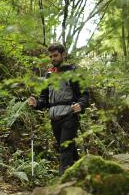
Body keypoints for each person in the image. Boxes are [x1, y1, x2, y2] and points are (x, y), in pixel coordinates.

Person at [27, 43, 90, 174]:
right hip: (54, 118)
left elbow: (84, 94)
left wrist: (81, 105)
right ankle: (80, 174)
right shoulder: (48, 75)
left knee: (64, 147)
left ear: (63, 55)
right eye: (50, 56)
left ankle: (62, 180)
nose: (53, 59)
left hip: (69, 115)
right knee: (69, 148)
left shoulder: (73, 71)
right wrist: (36, 104)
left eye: (55, 55)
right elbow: (44, 99)